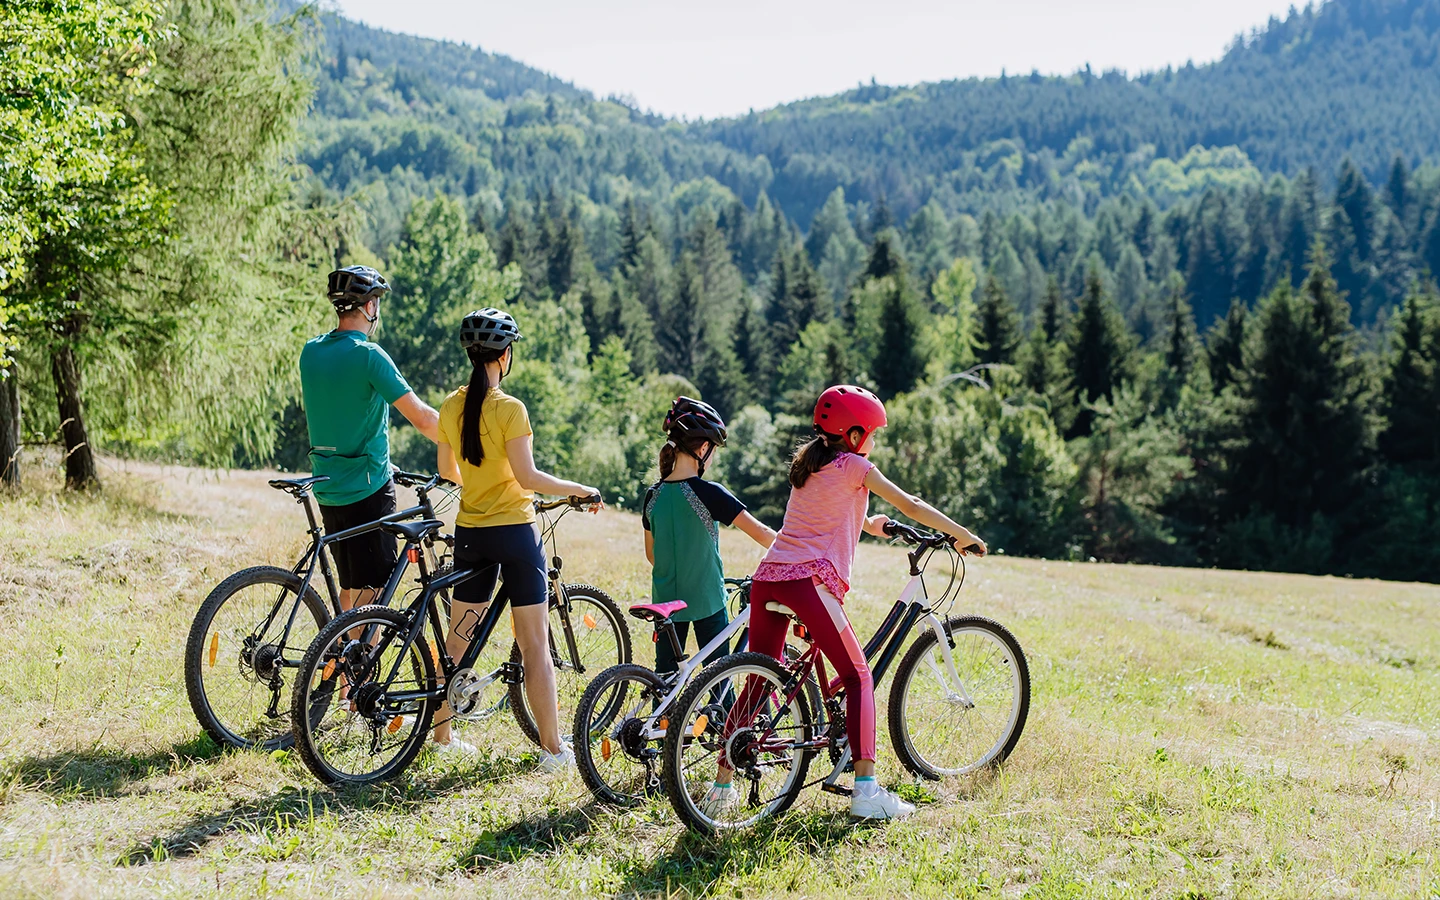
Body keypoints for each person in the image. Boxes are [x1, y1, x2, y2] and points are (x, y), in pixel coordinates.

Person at [707, 385, 986, 821]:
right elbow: (910, 503)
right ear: (854, 436)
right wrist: (962, 534)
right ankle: (867, 791)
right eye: (872, 434)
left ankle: (720, 788)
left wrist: (873, 525)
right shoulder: (857, 466)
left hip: (770, 578)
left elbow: (827, 516)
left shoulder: (810, 465)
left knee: (758, 679)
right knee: (858, 678)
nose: (874, 443)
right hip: (809, 582)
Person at [434, 307, 601, 766]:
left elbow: (446, 471)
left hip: (469, 531)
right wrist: (578, 488)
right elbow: (526, 477)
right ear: (504, 356)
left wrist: (479, 484)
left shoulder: (451, 405)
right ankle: (553, 749)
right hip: (514, 533)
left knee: (458, 639)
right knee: (534, 646)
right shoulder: (510, 408)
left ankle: (442, 735)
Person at [300, 265, 440, 618]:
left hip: (327, 486)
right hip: (367, 488)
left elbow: (340, 414)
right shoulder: (369, 355)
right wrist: (469, 440)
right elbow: (422, 418)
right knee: (373, 595)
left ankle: (344, 670)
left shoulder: (310, 353)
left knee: (351, 586)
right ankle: (357, 667)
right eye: (376, 300)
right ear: (369, 307)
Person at [642, 398, 775, 676]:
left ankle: (662, 718)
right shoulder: (709, 492)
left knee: (664, 678)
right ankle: (718, 719)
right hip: (706, 601)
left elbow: (652, 554)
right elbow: (761, 533)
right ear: (703, 448)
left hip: (665, 602)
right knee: (717, 677)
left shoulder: (652, 496)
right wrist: (799, 548)